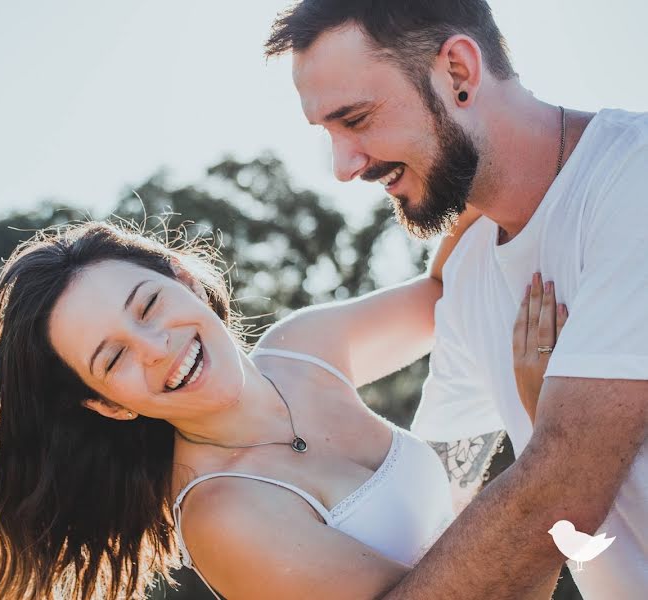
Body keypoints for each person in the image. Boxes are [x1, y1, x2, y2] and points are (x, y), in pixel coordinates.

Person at [0, 214, 559, 600]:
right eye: (112, 360)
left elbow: (451, 292)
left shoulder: (303, 349)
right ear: (109, 405)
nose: (156, 349)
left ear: (186, 280)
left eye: (147, 305)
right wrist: (548, 434)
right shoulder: (224, 512)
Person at [265, 1, 648, 597]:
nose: (344, 167)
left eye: (357, 119)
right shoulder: (469, 273)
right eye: (329, 133)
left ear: (459, 74)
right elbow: (440, 504)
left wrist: (545, 435)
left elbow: (561, 490)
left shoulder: (635, 178)